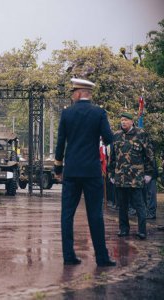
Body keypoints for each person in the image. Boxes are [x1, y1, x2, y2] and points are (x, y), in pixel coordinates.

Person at [54, 78, 116, 267]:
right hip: (91, 171)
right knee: (95, 214)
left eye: (74, 93)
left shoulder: (67, 114)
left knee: (67, 214)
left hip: (72, 171)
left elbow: (60, 144)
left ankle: (68, 256)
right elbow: (108, 138)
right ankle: (102, 257)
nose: (72, 96)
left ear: (80, 93)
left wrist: (58, 168)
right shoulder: (99, 113)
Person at [108, 112, 155, 239]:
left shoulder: (141, 134)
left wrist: (149, 173)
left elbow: (149, 155)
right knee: (122, 205)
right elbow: (112, 156)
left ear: (132, 121)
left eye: (126, 120)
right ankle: (124, 229)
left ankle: (142, 230)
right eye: (121, 120)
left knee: (139, 205)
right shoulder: (116, 135)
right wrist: (111, 173)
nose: (123, 122)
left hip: (136, 177)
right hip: (121, 177)